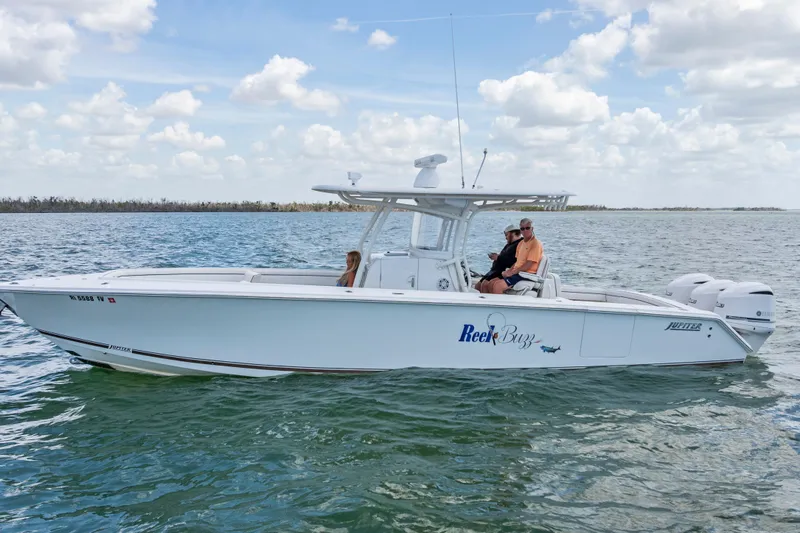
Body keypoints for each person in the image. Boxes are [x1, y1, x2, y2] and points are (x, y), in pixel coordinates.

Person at [485, 218, 543, 294]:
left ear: (532, 228)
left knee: (497, 286)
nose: (525, 231)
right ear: (520, 230)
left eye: (527, 228)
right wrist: (509, 271)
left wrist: (512, 272)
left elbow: (529, 264)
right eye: (522, 229)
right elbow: (517, 262)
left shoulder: (535, 244)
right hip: (518, 273)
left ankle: (501, 305)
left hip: (526, 274)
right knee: (491, 283)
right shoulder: (521, 243)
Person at [475, 224, 522, 292]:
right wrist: (497, 256)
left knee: (485, 284)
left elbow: (514, 261)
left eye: (506, 235)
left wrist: (498, 258)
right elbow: (505, 256)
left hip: (502, 270)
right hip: (495, 270)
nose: (505, 237)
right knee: (477, 286)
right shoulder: (509, 245)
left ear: (513, 233)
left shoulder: (520, 244)